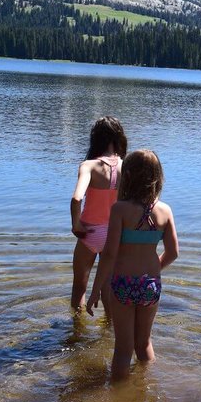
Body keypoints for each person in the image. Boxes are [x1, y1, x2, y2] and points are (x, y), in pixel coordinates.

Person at [87, 149, 179, 381]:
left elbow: (108, 254)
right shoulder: (165, 211)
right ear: (158, 177)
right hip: (149, 285)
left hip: (123, 284)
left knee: (123, 348)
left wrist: (96, 289)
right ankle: (145, 388)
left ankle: (119, 398)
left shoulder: (120, 210)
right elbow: (173, 252)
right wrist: (154, 268)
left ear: (126, 177)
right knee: (144, 344)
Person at [70, 116, 128, 313]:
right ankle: (109, 331)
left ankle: (77, 333)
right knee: (108, 290)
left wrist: (76, 226)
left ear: (95, 139)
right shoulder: (127, 166)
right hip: (114, 235)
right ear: (119, 138)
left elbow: (77, 199)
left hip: (90, 233)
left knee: (79, 288)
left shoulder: (88, 166)